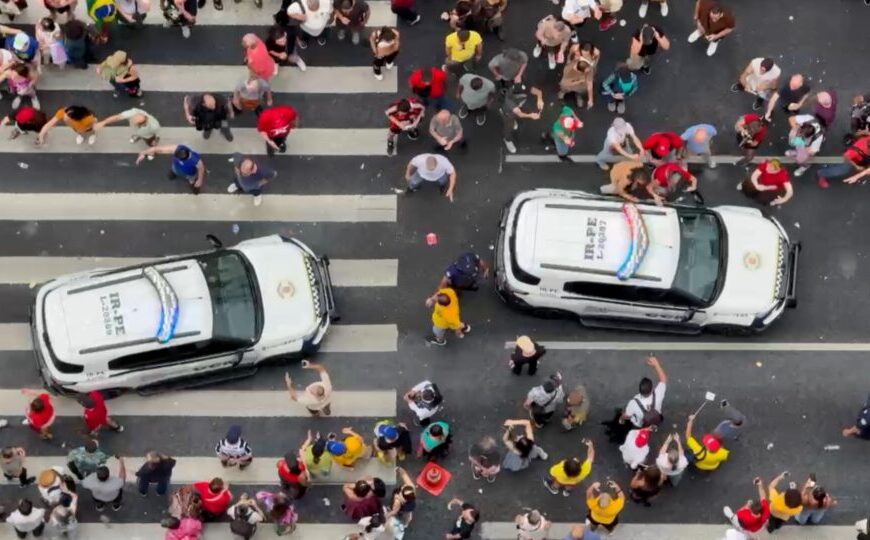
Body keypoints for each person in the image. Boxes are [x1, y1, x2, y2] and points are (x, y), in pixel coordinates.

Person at [136, 144, 206, 195]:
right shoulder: (177, 148)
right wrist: (143, 153)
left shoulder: (195, 159)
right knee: (174, 171)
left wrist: (200, 180)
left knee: (192, 180)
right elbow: (158, 149)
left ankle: (194, 187)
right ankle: (174, 173)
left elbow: (201, 168)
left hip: (189, 174)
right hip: (175, 167)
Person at [621, 355, 668, 429]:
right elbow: (663, 379)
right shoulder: (658, 395)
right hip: (656, 418)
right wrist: (656, 364)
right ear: (652, 389)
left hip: (641, 424)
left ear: (640, 390)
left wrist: (622, 418)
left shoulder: (633, 403)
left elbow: (627, 415)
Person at [500, 82, 544, 154]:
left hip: (518, 107)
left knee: (520, 111)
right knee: (508, 127)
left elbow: (537, 91)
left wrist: (540, 98)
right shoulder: (509, 101)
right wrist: (530, 115)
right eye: (520, 94)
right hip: (508, 113)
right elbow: (519, 114)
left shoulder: (520, 86)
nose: (524, 94)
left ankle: (514, 121)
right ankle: (507, 140)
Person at [94, 108, 160, 151]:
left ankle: (153, 147)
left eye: (135, 123)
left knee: (150, 142)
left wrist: (153, 138)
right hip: (138, 131)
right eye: (132, 120)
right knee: (137, 132)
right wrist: (104, 122)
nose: (132, 121)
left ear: (144, 123)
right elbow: (117, 117)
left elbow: (156, 132)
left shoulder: (154, 126)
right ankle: (137, 135)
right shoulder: (133, 113)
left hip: (148, 135)